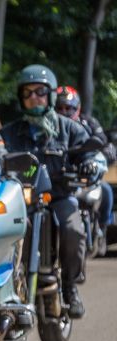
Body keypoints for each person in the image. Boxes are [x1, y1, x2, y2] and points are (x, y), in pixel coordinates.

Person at [1, 64, 102, 320]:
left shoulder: (69, 128)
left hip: (59, 195)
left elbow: (91, 151)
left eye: (40, 92)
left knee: (73, 229)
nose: (34, 97)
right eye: (28, 93)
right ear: (21, 98)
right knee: (5, 232)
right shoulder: (10, 133)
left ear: (51, 96)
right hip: (22, 199)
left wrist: (91, 164)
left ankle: (69, 286)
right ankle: (5, 294)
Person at [55, 85, 115, 234]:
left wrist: (98, 159)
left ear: (78, 108)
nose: (64, 112)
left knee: (106, 190)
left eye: (69, 108)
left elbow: (104, 143)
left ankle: (102, 226)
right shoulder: (48, 126)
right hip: (57, 174)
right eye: (60, 108)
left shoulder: (89, 123)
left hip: (84, 173)